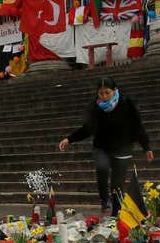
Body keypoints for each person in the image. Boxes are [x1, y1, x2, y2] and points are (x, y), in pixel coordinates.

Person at [57, 77, 153, 218]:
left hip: (122, 149)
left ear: (115, 91)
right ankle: (104, 200)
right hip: (102, 147)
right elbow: (87, 129)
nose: (104, 97)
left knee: (117, 184)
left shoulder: (126, 104)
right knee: (102, 166)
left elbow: (138, 127)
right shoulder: (96, 108)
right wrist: (69, 139)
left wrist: (147, 147)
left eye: (107, 93)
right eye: (101, 93)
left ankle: (116, 214)